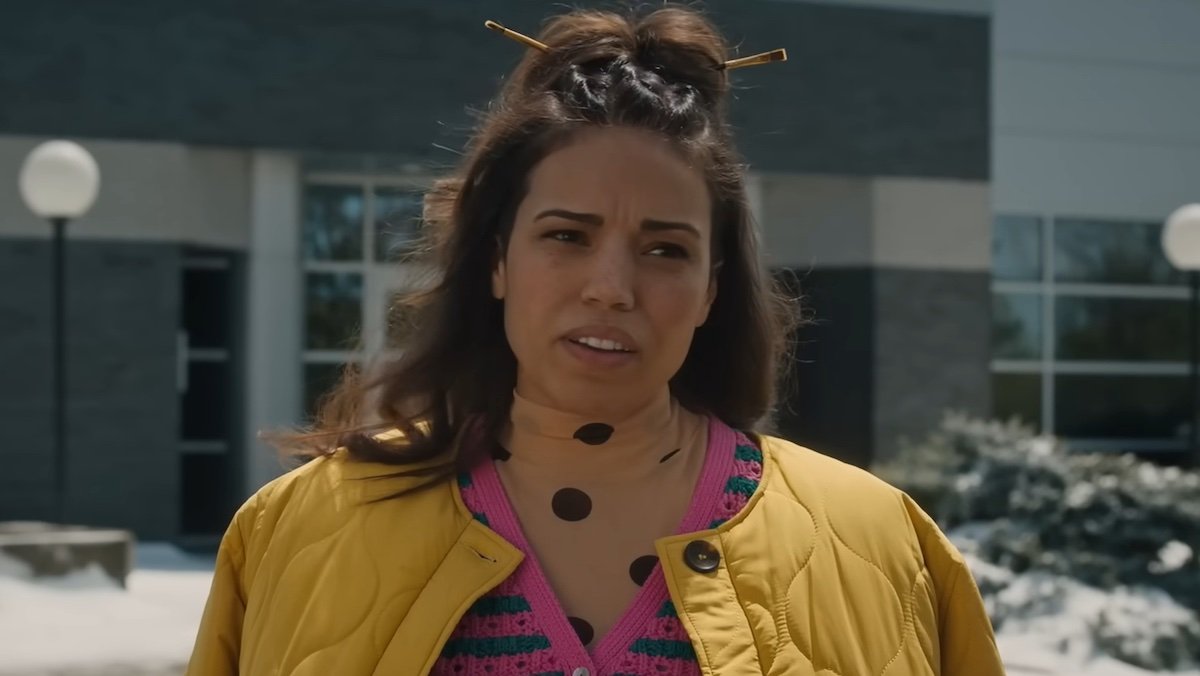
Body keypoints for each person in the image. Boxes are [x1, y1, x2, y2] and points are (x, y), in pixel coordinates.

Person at [187, 6, 1005, 676]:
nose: (611, 287)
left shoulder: (882, 543)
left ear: (712, 289)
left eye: (664, 249)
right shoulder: (295, 530)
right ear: (498, 260)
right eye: (568, 236)